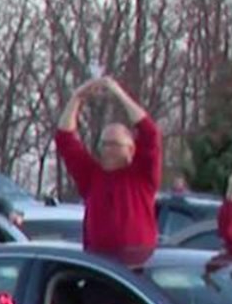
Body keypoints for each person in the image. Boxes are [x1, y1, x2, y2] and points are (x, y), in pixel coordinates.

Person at [54, 75, 162, 256]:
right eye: (104, 144)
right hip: (100, 268)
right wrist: (77, 97)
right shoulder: (91, 176)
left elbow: (150, 133)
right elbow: (65, 138)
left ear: (131, 149)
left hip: (137, 267)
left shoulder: (142, 175)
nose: (108, 150)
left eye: (114, 144)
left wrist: (118, 93)